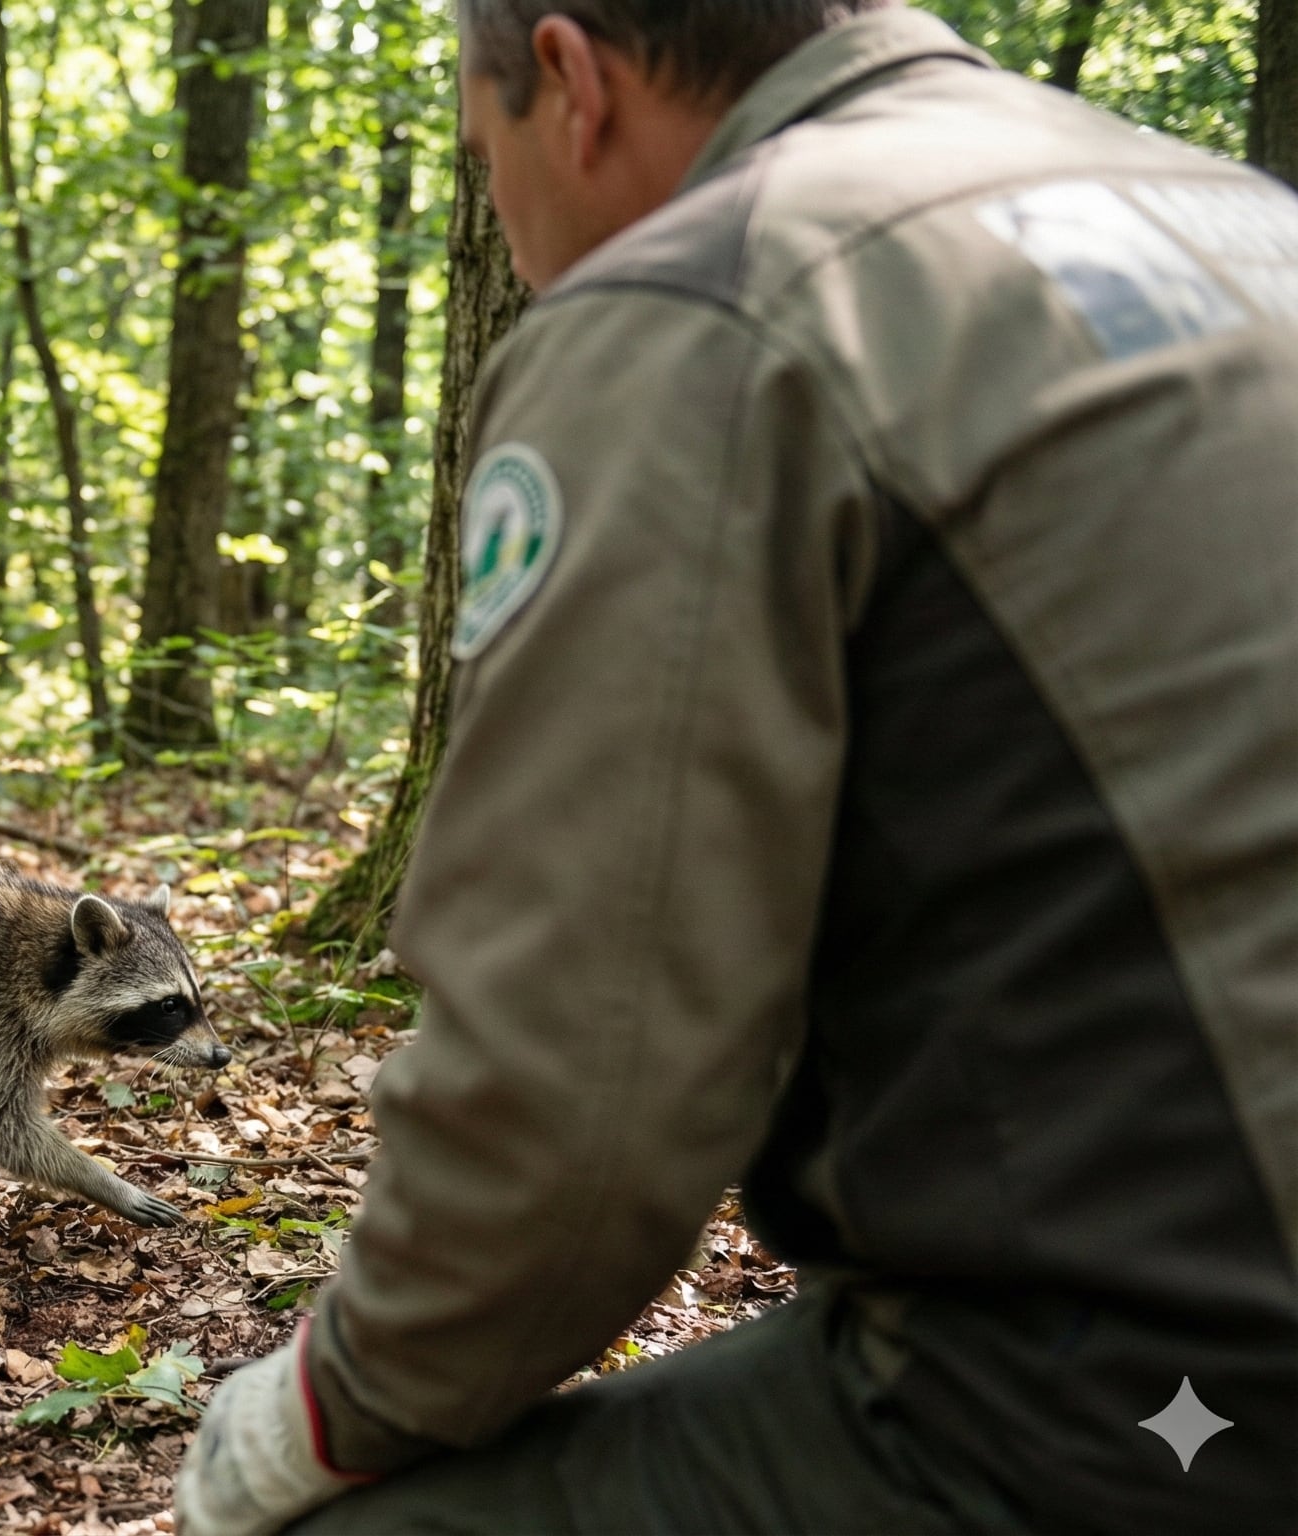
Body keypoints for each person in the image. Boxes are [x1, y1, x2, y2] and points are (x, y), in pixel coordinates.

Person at [178, 1, 1298, 1531]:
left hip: (1161, 1399)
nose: (506, 236)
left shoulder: (704, 302)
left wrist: (324, 1409)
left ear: (568, 83)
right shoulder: (1229, 212)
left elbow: (573, 1098)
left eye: (484, 152)